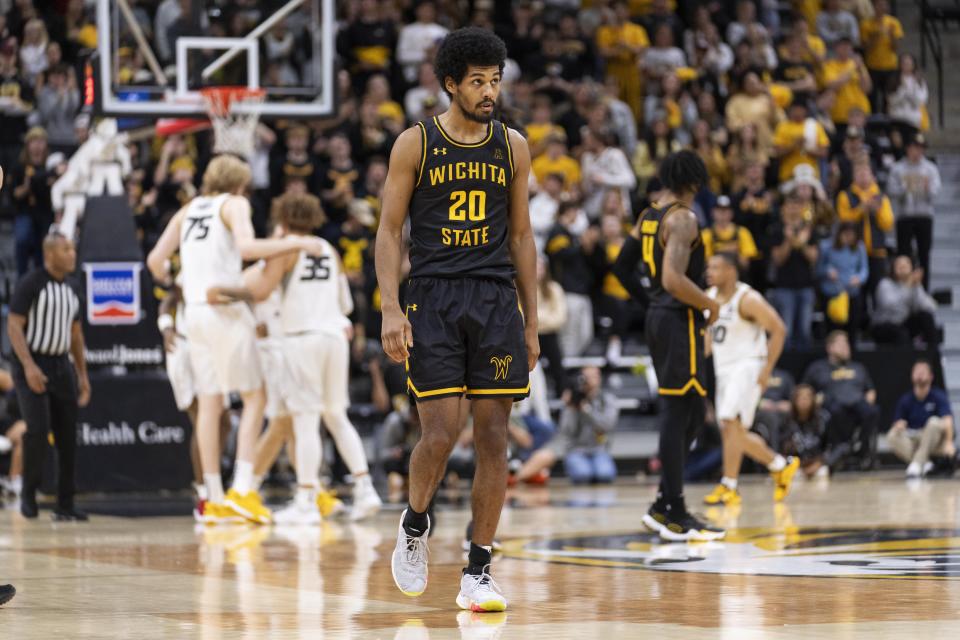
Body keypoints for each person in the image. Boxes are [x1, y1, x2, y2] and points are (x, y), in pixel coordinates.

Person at [375, 28, 538, 612]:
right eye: (477, 82)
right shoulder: (415, 144)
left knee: (494, 437)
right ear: (450, 83)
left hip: (496, 300)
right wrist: (391, 306)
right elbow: (389, 231)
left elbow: (522, 235)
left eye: (495, 80)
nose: (489, 91)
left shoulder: (513, 146)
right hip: (434, 297)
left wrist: (532, 321)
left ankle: (479, 569)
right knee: (440, 434)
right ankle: (416, 523)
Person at [147, 156, 325, 525]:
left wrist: (172, 278)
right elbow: (246, 249)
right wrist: (293, 242)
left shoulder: (187, 210)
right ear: (239, 184)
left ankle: (212, 500)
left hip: (193, 313)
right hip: (224, 310)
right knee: (254, 395)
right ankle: (243, 489)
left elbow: (155, 261)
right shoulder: (234, 203)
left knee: (210, 403)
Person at [208, 193, 383, 524]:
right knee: (336, 416)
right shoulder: (329, 249)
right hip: (334, 336)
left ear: (282, 217)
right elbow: (344, 305)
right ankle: (365, 488)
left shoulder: (285, 247)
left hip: (302, 338)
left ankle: (306, 499)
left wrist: (223, 291)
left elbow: (260, 290)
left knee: (304, 422)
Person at [611, 150, 724, 542]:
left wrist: (649, 303)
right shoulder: (683, 219)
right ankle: (673, 511)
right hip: (678, 319)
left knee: (692, 408)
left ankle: (664, 502)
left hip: (663, 318)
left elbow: (622, 267)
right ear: (696, 181)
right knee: (679, 412)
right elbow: (674, 279)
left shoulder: (649, 215)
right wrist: (710, 303)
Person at [703, 254, 798, 507]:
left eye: (716, 267)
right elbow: (709, 339)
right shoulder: (708, 297)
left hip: (747, 366)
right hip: (723, 369)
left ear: (731, 271)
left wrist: (767, 369)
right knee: (733, 432)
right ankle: (780, 465)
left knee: (728, 421)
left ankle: (729, 486)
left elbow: (779, 329)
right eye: (708, 267)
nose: (709, 271)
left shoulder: (748, 299)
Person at [7, 232, 89, 520]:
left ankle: (65, 504)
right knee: (38, 430)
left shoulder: (74, 288)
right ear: (49, 254)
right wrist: (28, 366)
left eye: (72, 249)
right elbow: (14, 326)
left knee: (67, 436)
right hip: (32, 363)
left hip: (61, 365)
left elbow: (76, 336)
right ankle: (29, 493)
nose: (72, 254)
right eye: (66, 249)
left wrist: (83, 375)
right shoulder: (31, 283)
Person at [802, 331, 879, 472]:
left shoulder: (858, 367)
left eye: (847, 343)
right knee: (836, 411)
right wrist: (814, 400)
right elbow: (805, 390)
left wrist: (869, 398)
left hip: (856, 404)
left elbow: (870, 390)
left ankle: (860, 446)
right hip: (833, 405)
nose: (846, 347)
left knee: (872, 411)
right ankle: (841, 448)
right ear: (830, 348)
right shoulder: (817, 368)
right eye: (842, 343)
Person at [886, 134, 941, 290]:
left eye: (921, 148)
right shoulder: (898, 167)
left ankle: (923, 289)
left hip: (924, 215)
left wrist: (927, 188)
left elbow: (936, 191)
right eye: (915, 147)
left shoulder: (930, 168)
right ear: (908, 148)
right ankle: (903, 288)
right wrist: (904, 189)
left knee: (924, 254)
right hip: (905, 215)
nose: (918, 151)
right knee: (903, 254)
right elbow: (891, 189)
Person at [767, 195, 819, 349]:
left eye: (797, 206)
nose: (793, 209)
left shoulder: (809, 230)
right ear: (783, 209)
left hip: (806, 286)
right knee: (786, 332)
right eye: (790, 206)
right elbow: (777, 260)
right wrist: (789, 240)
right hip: (784, 287)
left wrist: (802, 244)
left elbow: (814, 258)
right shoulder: (776, 230)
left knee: (804, 331)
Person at [888, 360, 954, 479]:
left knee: (933, 422)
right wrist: (899, 425)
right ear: (912, 375)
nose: (919, 374)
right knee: (892, 435)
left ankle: (916, 464)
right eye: (917, 371)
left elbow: (948, 420)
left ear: (931, 376)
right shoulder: (905, 399)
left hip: (935, 441)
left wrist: (949, 443)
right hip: (915, 439)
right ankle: (925, 463)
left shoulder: (938, 396)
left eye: (923, 371)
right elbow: (897, 422)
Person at [553, 366, 619, 484]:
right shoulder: (573, 399)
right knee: (582, 475)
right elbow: (567, 431)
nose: (589, 381)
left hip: (599, 449)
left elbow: (607, 426)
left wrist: (587, 410)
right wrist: (571, 408)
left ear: (599, 378)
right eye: (586, 377)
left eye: (593, 376)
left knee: (605, 475)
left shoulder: (607, 399)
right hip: (576, 450)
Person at [871, 255, 938, 346]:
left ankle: (933, 355)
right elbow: (891, 306)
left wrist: (917, 287)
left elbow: (931, 307)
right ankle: (905, 359)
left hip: (903, 323)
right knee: (902, 333)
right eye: (899, 265)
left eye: (906, 265)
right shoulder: (885, 284)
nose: (903, 268)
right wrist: (908, 286)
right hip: (884, 325)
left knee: (926, 317)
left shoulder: (914, 285)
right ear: (893, 268)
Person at [816, 222, 868, 339]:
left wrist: (859, 278)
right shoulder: (826, 246)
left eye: (852, 235)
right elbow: (818, 269)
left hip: (851, 293)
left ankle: (850, 353)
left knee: (852, 328)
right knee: (832, 329)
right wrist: (827, 271)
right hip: (831, 293)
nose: (848, 238)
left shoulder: (859, 247)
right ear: (839, 234)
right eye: (846, 234)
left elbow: (864, 269)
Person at [700, 196, 758, 274]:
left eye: (726, 210)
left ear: (731, 213)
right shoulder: (706, 234)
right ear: (712, 212)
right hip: (715, 275)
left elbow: (745, 264)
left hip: (737, 275)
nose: (722, 214)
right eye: (719, 210)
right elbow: (707, 262)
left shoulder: (742, 232)